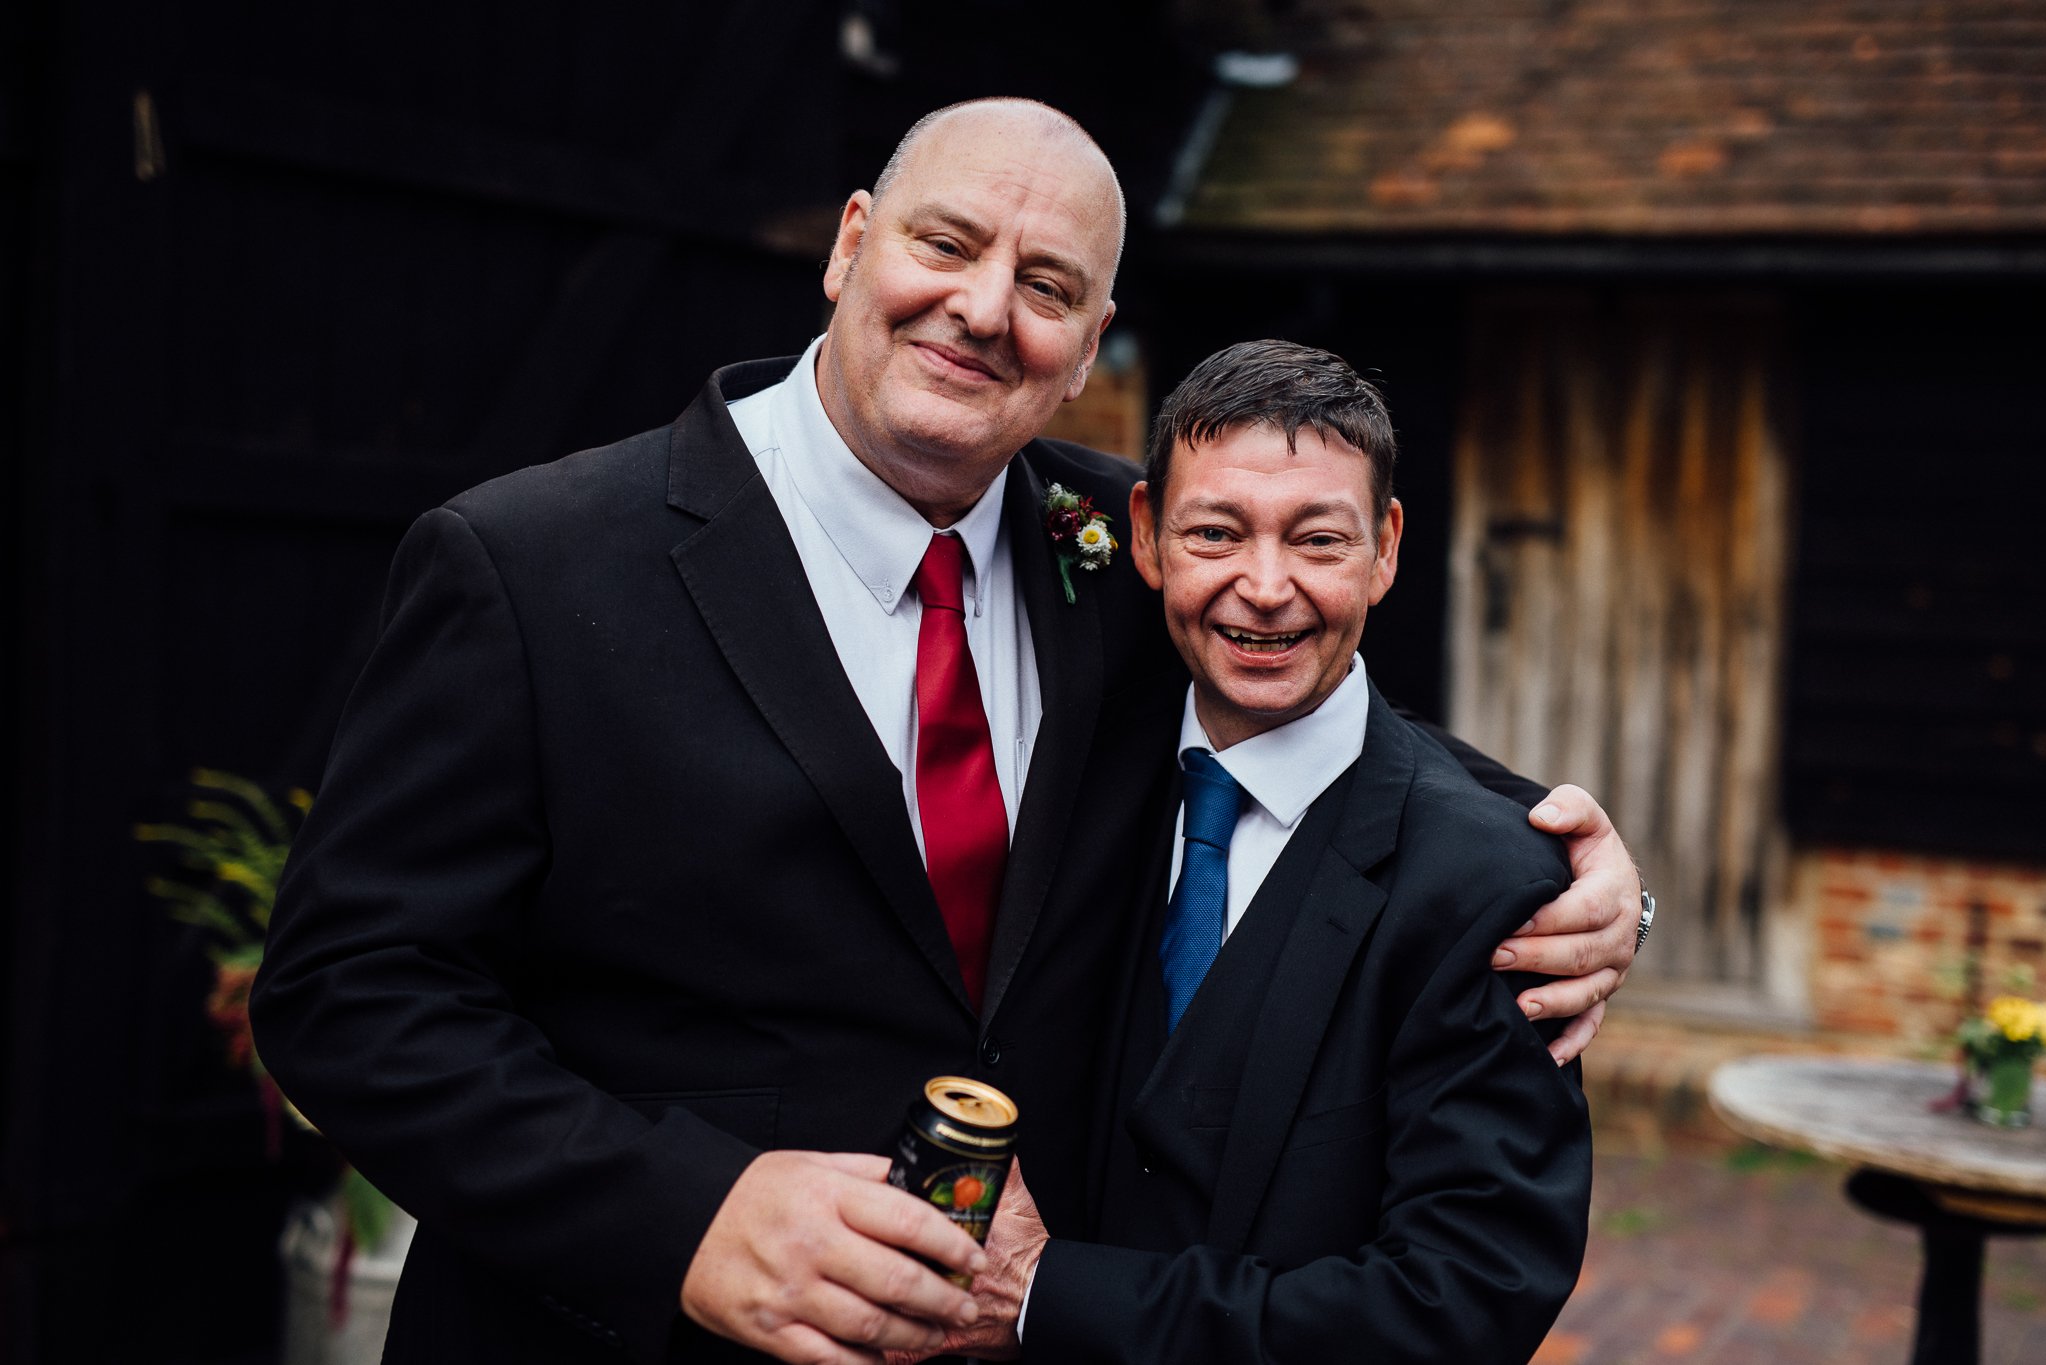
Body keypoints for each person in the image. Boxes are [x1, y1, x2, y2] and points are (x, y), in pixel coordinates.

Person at [249, 100, 1637, 1365]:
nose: (984, 310)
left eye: (1046, 286)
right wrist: (685, 1218)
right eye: (947, 244)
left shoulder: (1122, 544)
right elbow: (347, 994)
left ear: (1092, 341)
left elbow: (1310, 699)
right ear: (853, 245)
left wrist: (1578, 865)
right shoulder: (532, 562)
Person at [931, 340, 1593, 1364]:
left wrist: (1042, 1296)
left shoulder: (1488, 891)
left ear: (1384, 548)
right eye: (1216, 532)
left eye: (1317, 541)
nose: (1264, 586)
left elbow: (1457, 1304)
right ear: (1147, 538)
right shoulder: (1074, 776)